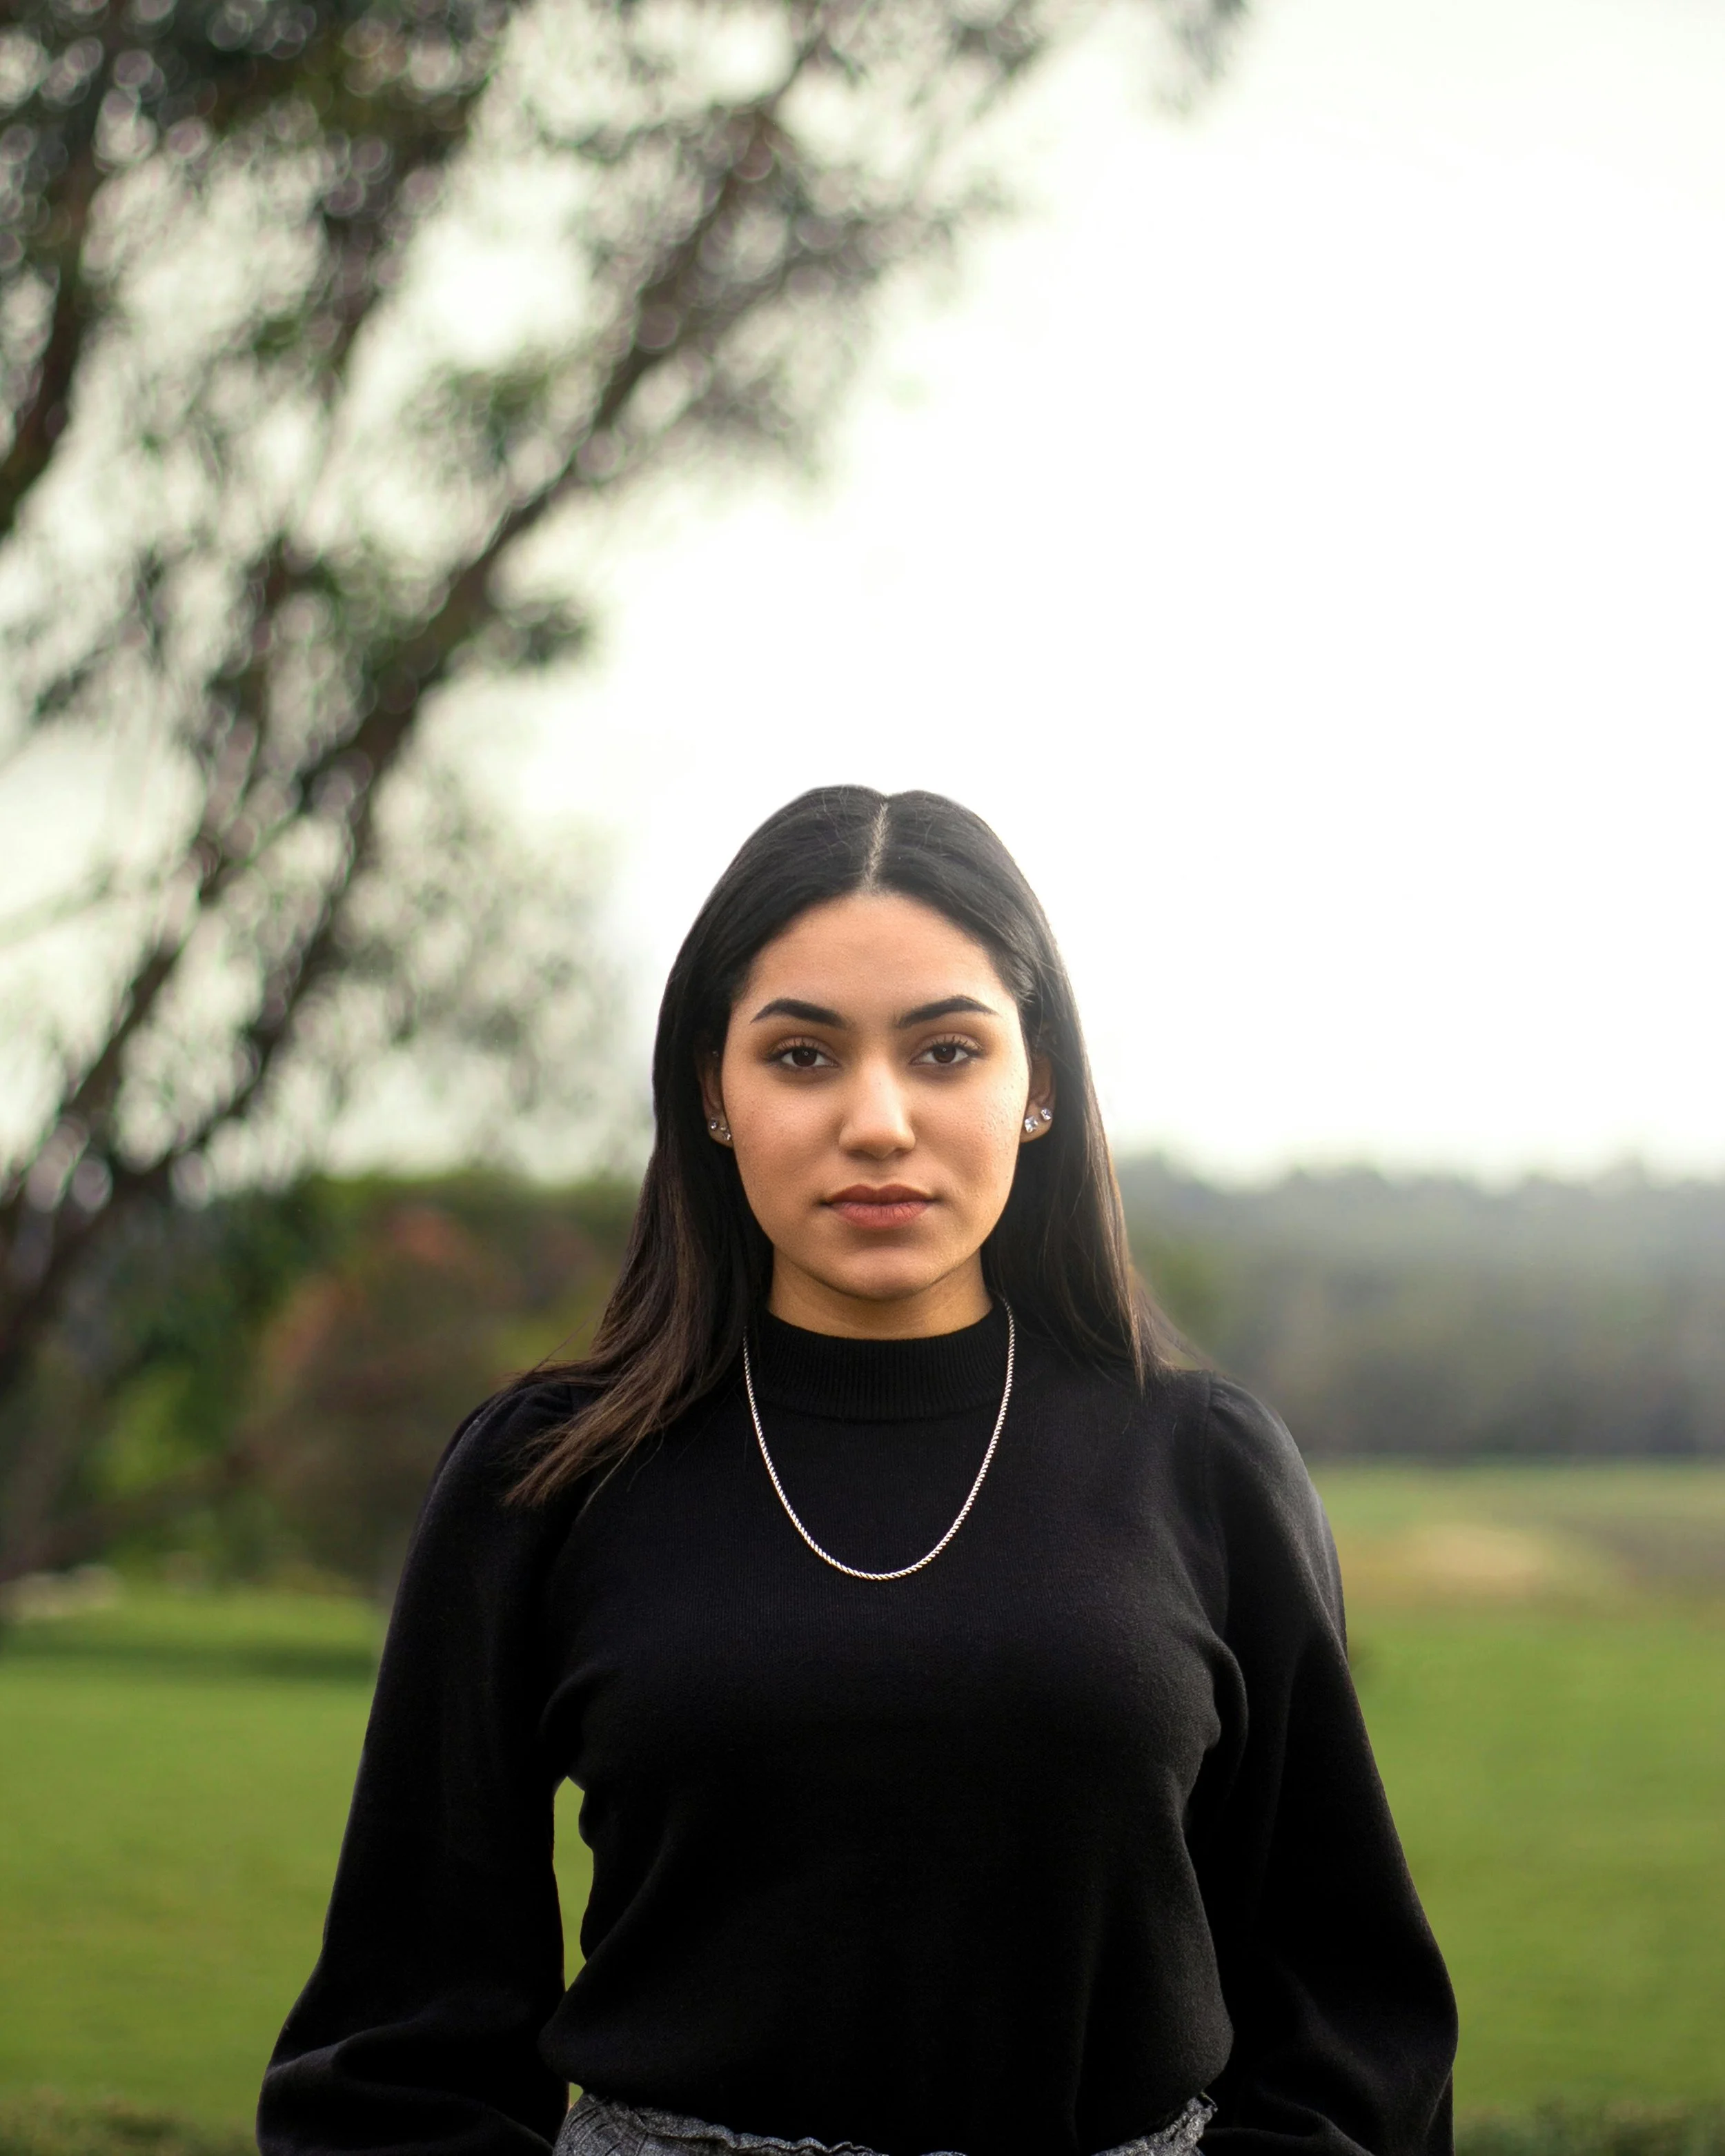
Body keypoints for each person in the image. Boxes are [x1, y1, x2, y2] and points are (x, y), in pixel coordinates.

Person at [259, 787, 1456, 2156]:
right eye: (803, 1055)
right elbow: (399, 2045)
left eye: (945, 1049)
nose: (877, 1119)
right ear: (711, 1088)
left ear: (1040, 1084)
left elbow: (1351, 2023)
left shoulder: (1201, 1465)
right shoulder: (545, 1476)